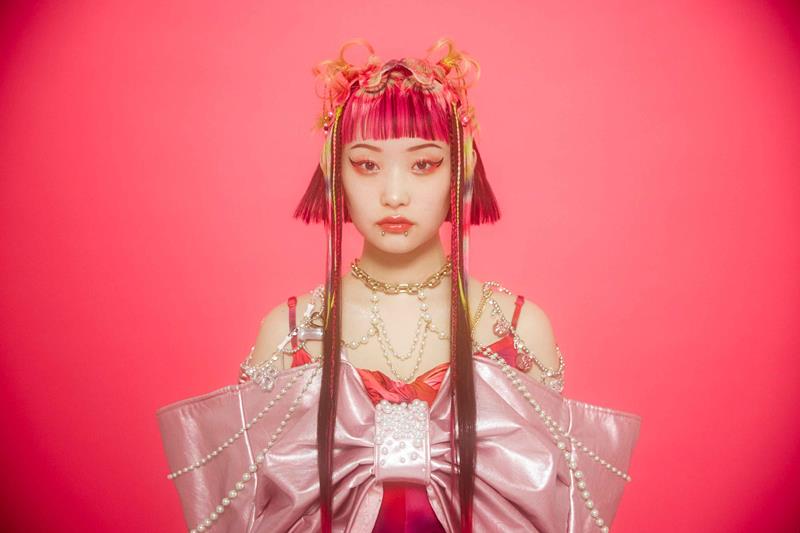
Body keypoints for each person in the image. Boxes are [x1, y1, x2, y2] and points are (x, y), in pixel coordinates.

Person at [157, 38, 642, 533]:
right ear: (332, 171)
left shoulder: (516, 329)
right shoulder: (288, 333)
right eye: (366, 164)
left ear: (463, 169)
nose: (393, 194)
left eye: (423, 163)